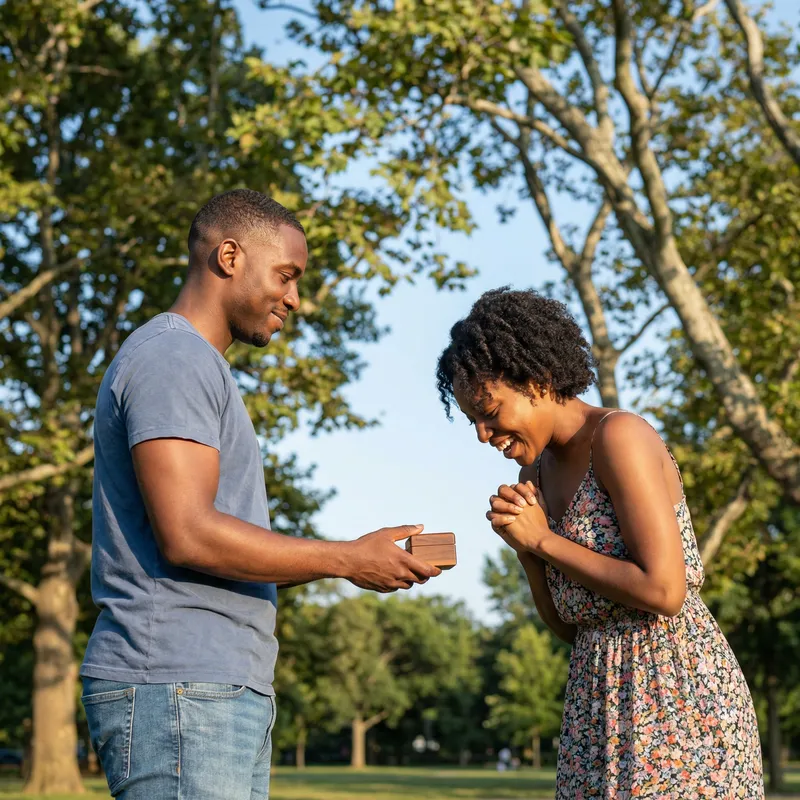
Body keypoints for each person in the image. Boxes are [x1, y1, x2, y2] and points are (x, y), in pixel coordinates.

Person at [81, 189, 441, 800]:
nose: (295, 299)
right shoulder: (173, 359)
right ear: (228, 256)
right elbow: (188, 534)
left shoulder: (198, 365)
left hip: (211, 688)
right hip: (179, 686)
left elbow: (218, 548)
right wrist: (347, 558)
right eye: (287, 275)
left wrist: (356, 560)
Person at [436, 287, 763, 799]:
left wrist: (543, 541)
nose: (482, 434)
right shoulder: (534, 470)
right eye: (472, 420)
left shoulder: (620, 437)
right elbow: (571, 628)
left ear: (538, 382)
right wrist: (526, 554)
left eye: (490, 411)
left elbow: (664, 590)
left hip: (677, 701)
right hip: (594, 704)